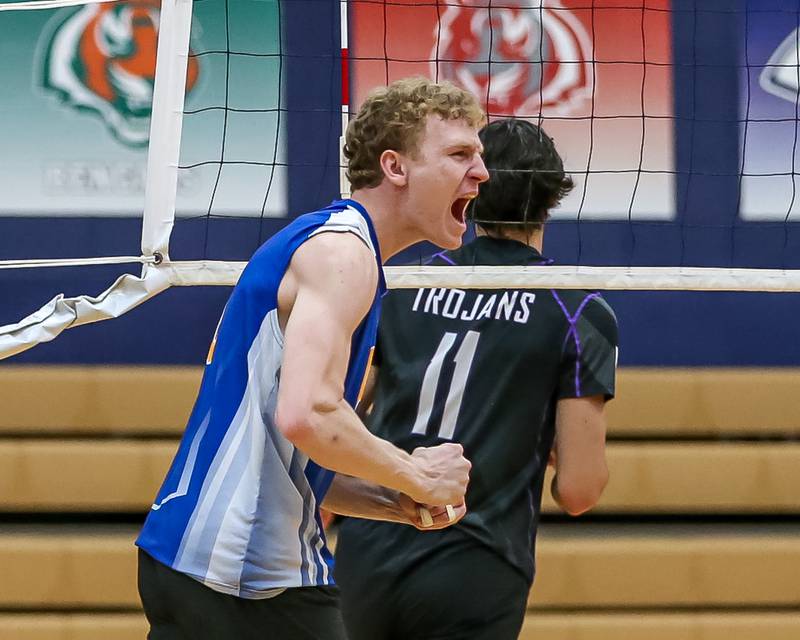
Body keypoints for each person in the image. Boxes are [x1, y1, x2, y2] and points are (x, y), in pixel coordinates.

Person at [135, 77, 489, 640]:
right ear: (396, 168)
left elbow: (289, 456)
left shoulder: (337, 248)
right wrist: (418, 475)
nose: (482, 172)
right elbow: (309, 416)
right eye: (459, 154)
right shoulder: (342, 256)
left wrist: (391, 499)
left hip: (197, 561)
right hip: (245, 577)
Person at [335, 118, 618, 640]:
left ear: (469, 188)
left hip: (367, 553)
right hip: (476, 563)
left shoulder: (400, 284)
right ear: (553, 197)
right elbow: (579, 490)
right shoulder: (578, 312)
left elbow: (337, 423)